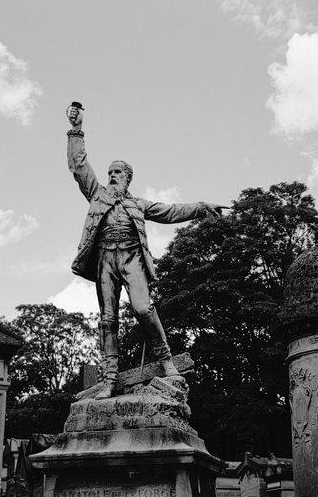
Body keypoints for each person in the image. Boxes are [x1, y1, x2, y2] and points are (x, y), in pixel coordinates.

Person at [66, 104, 224, 399]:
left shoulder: (137, 204)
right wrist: (76, 130)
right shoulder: (97, 194)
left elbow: (170, 211)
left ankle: (165, 361)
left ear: (128, 177)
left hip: (131, 258)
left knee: (143, 309)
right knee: (108, 319)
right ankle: (109, 378)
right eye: (110, 171)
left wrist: (202, 207)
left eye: (117, 172)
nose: (111, 175)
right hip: (105, 260)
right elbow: (78, 166)